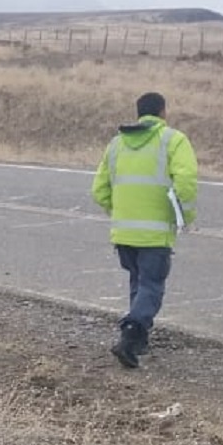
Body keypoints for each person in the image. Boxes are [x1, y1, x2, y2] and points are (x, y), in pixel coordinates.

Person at [92, 91, 198, 368]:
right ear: (163, 112)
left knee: (138, 283)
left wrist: (119, 212)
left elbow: (99, 190)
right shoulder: (173, 140)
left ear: (139, 112)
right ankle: (131, 334)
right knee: (151, 286)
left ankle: (140, 341)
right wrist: (183, 216)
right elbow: (186, 182)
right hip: (154, 233)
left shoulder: (116, 144)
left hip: (123, 233)